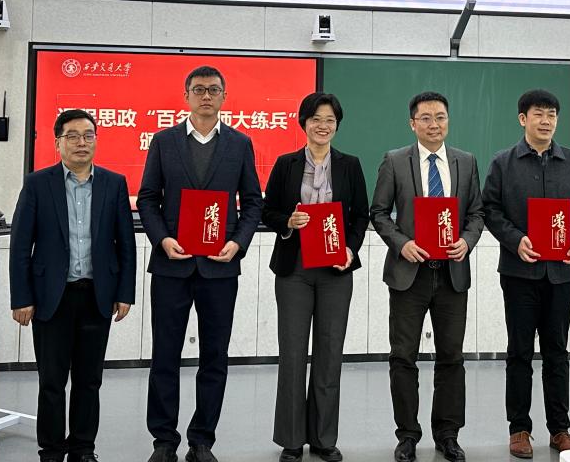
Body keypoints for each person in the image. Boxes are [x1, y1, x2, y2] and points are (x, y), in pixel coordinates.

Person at [137, 65, 263, 462]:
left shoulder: (240, 144)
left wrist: (237, 243)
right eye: (198, 89)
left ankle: (202, 440)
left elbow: (253, 202)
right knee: (165, 356)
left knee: (214, 357)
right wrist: (162, 239)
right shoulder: (164, 141)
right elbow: (147, 198)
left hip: (219, 267)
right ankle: (163, 441)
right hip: (171, 265)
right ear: (186, 95)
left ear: (224, 96)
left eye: (213, 89)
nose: (206, 95)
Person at [9, 109, 137, 462]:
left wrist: (125, 293)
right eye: (73, 136)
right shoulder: (38, 183)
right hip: (52, 297)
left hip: (97, 295)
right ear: (58, 142)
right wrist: (21, 297)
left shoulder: (114, 183)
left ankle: (83, 448)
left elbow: (125, 243)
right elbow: (21, 245)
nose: (82, 142)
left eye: (88, 135)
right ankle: (51, 451)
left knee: (89, 380)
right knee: (51, 381)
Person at [482, 88, 570, 458]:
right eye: (538, 114)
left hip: (560, 274)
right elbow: (490, 209)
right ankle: (519, 429)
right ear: (523, 119)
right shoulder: (503, 162)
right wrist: (515, 240)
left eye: (552, 115)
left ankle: (560, 429)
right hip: (519, 273)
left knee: (557, 353)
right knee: (519, 352)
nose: (546, 121)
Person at [370, 91, 485, 462]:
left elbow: (477, 213)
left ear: (448, 120)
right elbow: (379, 212)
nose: (434, 124)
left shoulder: (466, 161)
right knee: (403, 357)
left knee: (451, 357)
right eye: (426, 118)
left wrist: (467, 241)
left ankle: (448, 435)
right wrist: (401, 243)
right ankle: (407, 435)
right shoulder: (394, 160)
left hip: (452, 274)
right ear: (412, 123)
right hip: (409, 274)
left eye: (440, 117)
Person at [262, 92, 370, 462]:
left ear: (337, 125)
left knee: (329, 354)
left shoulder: (350, 165)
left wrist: (350, 249)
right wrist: (288, 221)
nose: (323, 126)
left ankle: (324, 438)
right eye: (316, 119)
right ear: (303, 122)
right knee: (293, 354)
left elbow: (360, 215)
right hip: (294, 268)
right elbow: (268, 211)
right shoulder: (286, 163)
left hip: (335, 270)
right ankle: (291, 440)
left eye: (330, 120)